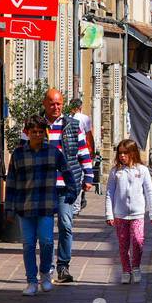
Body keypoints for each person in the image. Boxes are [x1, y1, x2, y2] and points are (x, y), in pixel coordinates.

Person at [5, 115, 65, 296]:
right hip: (25, 206)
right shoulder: (18, 154)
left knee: (46, 242)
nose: (37, 135)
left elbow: (67, 171)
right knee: (28, 245)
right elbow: (11, 183)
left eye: (40, 132)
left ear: (45, 133)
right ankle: (31, 281)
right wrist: (9, 208)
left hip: (46, 206)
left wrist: (70, 191)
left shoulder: (53, 152)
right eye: (33, 132)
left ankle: (45, 274)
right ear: (27, 133)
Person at [43, 88, 94, 284]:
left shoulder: (73, 126)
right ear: (45, 105)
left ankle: (63, 266)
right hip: (44, 186)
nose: (56, 107)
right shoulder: (37, 126)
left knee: (65, 224)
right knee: (46, 232)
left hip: (67, 185)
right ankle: (47, 268)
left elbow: (83, 153)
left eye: (59, 103)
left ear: (63, 104)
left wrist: (88, 177)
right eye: (52, 103)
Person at [105, 139, 152, 284]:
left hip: (137, 214)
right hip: (120, 214)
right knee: (123, 244)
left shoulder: (142, 170)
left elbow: (149, 192)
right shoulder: (116, 171)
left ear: (133, 153)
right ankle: (126, 270)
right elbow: (109, 192)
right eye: (120, 153)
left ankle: (136, 267)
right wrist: (109, 213)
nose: (122, 156)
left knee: (138, 241)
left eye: (125, 153)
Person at [69, 98, 95, 209]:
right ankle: (77, 205)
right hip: (82, 149)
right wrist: (91, 151)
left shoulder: (67, 118)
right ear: (80, 107)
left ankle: (75, 203)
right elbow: (89, 136)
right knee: (80, 177)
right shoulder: (85, 118)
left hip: (70, 151)